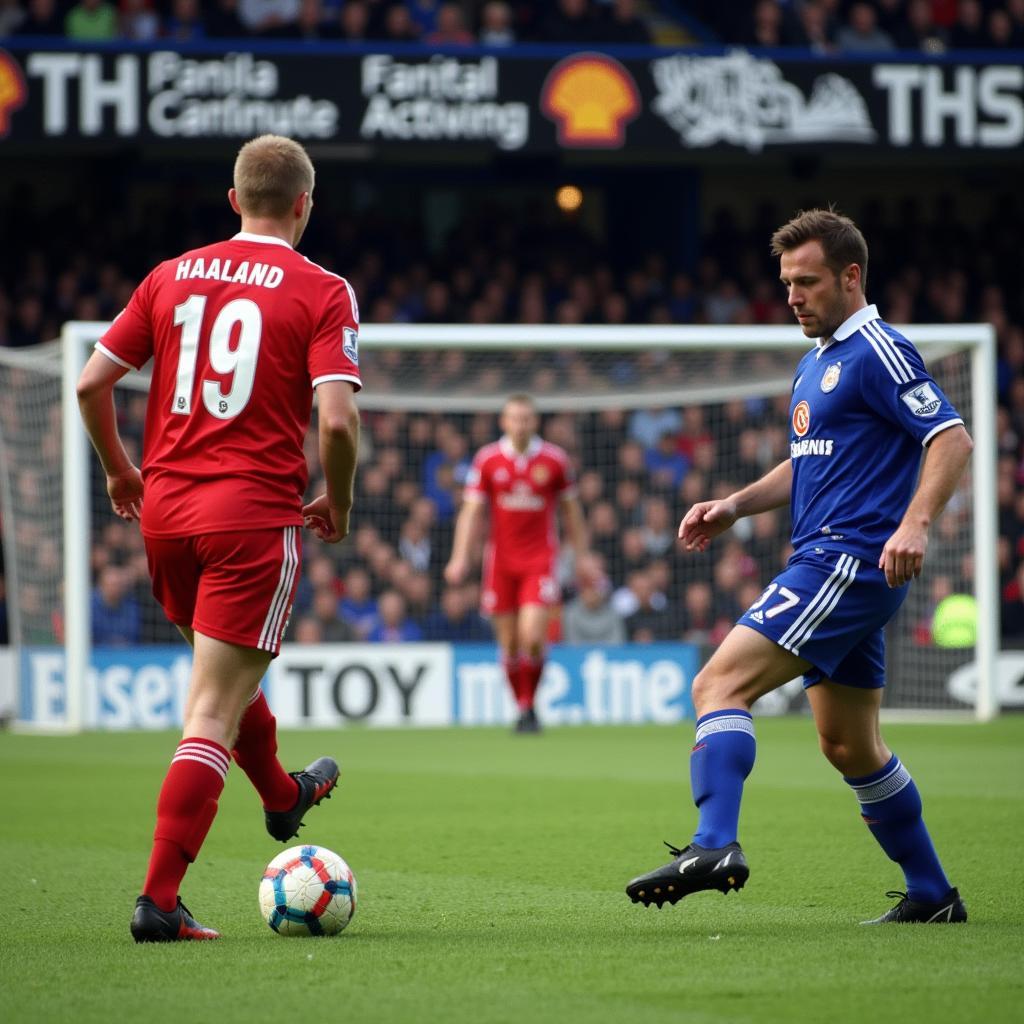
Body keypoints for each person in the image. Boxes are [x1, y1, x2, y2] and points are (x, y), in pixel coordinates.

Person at [626, 209, 974, 924]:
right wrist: (735, 505)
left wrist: (915, 523)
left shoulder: (880, 349)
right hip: (831, 562)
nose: (793, 295)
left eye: (808, 281)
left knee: (718, 682)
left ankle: (713, 843)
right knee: (849, 745)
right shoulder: (816, 362)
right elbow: (809, 462)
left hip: (845, 561)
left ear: (851, 276)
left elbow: (950, 438)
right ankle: (934, 895)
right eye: (787, 282)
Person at [76, 135, 362, 942]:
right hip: (251, 519)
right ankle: (159, 902)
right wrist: (337, 499)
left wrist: (119, 471)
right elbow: (337, 422)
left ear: (233, 199)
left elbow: (92, 382)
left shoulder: (170, 274)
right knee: (210, 709)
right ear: (304, 204)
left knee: (221, 679)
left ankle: (281, 795)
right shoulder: (324, 289)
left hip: (165, 515)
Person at [444, 394, 592, 733]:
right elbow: (471, 512)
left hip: (540, 560)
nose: (521, 424)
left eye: (527, 418)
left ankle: (528, 706)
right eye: (515, 418)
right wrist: (459, 557)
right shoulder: (488, 460)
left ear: (535, 422)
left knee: (533, 638)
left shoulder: (554, 460)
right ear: (504, 422)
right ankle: (524, 707)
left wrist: (582, 556)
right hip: (500, 563)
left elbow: (572, 512)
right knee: (509, 644)